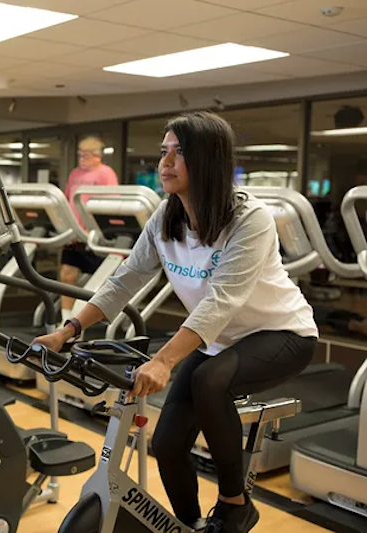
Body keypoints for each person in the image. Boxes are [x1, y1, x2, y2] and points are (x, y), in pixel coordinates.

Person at [35, 112, 318, 533]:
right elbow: (125, 278)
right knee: (166, 445)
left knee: (210, 381)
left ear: (207, 158)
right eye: (163, 152)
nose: (165, 163)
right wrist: (68, 330)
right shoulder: (166, 218)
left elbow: (221, 301)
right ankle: (191, 526)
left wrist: (164, 361)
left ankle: (234, 504)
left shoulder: (249, 219)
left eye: (179, 153)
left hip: (282, 334)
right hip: (218, 340)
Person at [61, 136, 119, 321]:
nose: (81, 159)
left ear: (97, 156)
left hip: (95, 234)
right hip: (75, 233)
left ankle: (116, 317)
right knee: (67, 275)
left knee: (101, 280)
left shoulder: (106, 173)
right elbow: (67, 198)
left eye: (85, 155)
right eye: (80, 155)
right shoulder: (75, 174)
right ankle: (65, 318)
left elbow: (111, 202)